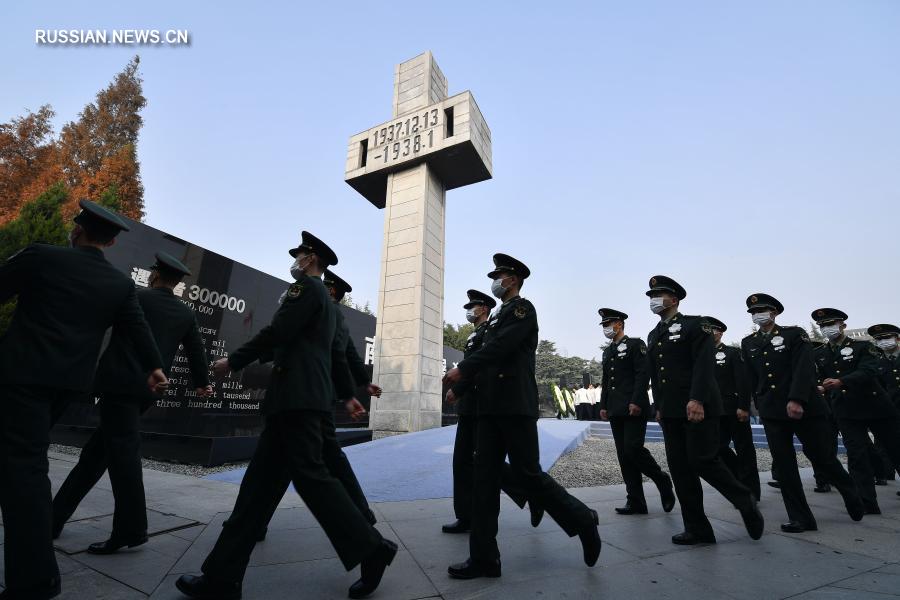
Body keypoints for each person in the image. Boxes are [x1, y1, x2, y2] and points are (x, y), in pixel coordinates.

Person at [175, 232, 396, 600]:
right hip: (296, 401)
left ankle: (371, 548)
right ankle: (222, 579)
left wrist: (234, 360)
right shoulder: (322, 301)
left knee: (311, 479)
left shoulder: (306, 290)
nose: (295, 260)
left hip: (296, 400)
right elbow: (324, 352)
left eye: (299, 255)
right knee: (256, 494)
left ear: (310, 260)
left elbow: (278, 332)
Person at [0, 200, 167, 600]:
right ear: (109, 243)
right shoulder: (119, 284)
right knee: (21, 464)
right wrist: (155, 367)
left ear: (76, 231)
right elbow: (138, 329)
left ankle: (35, 580)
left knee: (23, 472)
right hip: (66, 386)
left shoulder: (42, 256)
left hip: (20, 376)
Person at [443, 254, 601, 579]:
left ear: (512, 279)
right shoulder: (497, 318)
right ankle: (485, 558)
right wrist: (461, 387)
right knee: (483, 480)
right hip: (488, 409)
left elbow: (500, 348)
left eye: (499, 275)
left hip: (514, 407)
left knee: (528, 474)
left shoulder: (522, 310)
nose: (495, 280)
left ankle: (581, 518)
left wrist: (463, 368)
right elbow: (485, 358)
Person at [52, 252, 213, 554]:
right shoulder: (185, 314)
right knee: (95, 455)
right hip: (147, 393)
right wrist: (202, 383)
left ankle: (132, 529)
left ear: (154, 275)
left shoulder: (136, 297)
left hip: (118, 385)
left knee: (122, 457)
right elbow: (195, 351)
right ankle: (54, 519)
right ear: (177, 284)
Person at [237, 267, 381, 544]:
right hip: (309, 395)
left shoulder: (330, 312)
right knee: (281, 466)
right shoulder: (327, 311)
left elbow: (343, 353)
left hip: (310, 396)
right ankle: (251, 523)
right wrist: (360, 385)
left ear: (332, 292)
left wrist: (354, 390)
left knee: (313, 467)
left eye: (327, 286)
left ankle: (363, 529)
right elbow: (345, 352)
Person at [645, 275, 763, 545]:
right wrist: (660, 406)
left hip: (697, 406)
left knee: (703, 460)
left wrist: (697, 399)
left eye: (659, 295)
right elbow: (657, 374)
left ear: (673, 299)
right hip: (672, 411)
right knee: (680, 470)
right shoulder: (655, 333)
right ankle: (698, 528)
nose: (653, 300)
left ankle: (743, 499)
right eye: (651, 296)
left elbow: (704, 365)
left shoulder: (696, 325)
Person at [741, 296, 863, 533]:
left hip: (806, 408)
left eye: (762, 310)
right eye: (754, 311)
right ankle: (801, 518)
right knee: (785, 467)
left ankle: (851, 492)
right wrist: (757, 402)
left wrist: (796, 399)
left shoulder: (794, 334)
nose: (758, 315)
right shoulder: (750, 342)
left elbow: (804, 368)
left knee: (822, 458)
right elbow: (752, 377)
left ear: (774, 312)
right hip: (772, 412)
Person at [442, 289, 541, 534]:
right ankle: (467, 516)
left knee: (488, 463)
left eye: (473, 306)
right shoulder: (477, 333)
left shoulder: (497, 326)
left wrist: (461, 385)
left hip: (487, 403)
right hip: (474, 404)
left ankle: (533, 495)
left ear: (484, 308)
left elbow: (484, 363)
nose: (469, 310)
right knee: (469, 462)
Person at [812, 308, 900, 515]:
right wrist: (820, 386)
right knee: (857, 455)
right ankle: (867, 501)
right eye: (823, 325)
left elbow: (869, 371)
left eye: (831, 324)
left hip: (875, 406)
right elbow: (820, 377)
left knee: (895, 449)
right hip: (846, 410)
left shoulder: (863, 347)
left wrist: (842, 381)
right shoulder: (821, 354)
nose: (827, 328)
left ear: (842, 324)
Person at [597, 308, 675, 515]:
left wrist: (637, 401)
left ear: (619, 324)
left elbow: (643, 375)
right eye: (604, 325)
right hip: (615, 408)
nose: (605, 328)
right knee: (624, 455)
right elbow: (606, 381)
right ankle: (636, 500)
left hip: (633, 407)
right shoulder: (608, 351)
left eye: (608, 324)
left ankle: (661, 479)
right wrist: (603, 405)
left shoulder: (635, 345)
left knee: (633, 449)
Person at [703, 317, 761, 501]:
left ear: (720, 332)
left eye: (712, 330)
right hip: (713, 411)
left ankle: (752, 490)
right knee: (717, 448)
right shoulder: (701, 355)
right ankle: (739, 477)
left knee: (745, 449)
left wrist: (743, 406)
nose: (709, 334)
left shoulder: (732, 353)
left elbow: (743, 382)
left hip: (733, 409)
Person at [869, 323, 900, 493]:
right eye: (879, 339)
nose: (883, 341)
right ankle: (886, 473)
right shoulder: (878, 363)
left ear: (897, 338)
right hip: (889, 410)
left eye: (887, 337)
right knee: (889, 445)